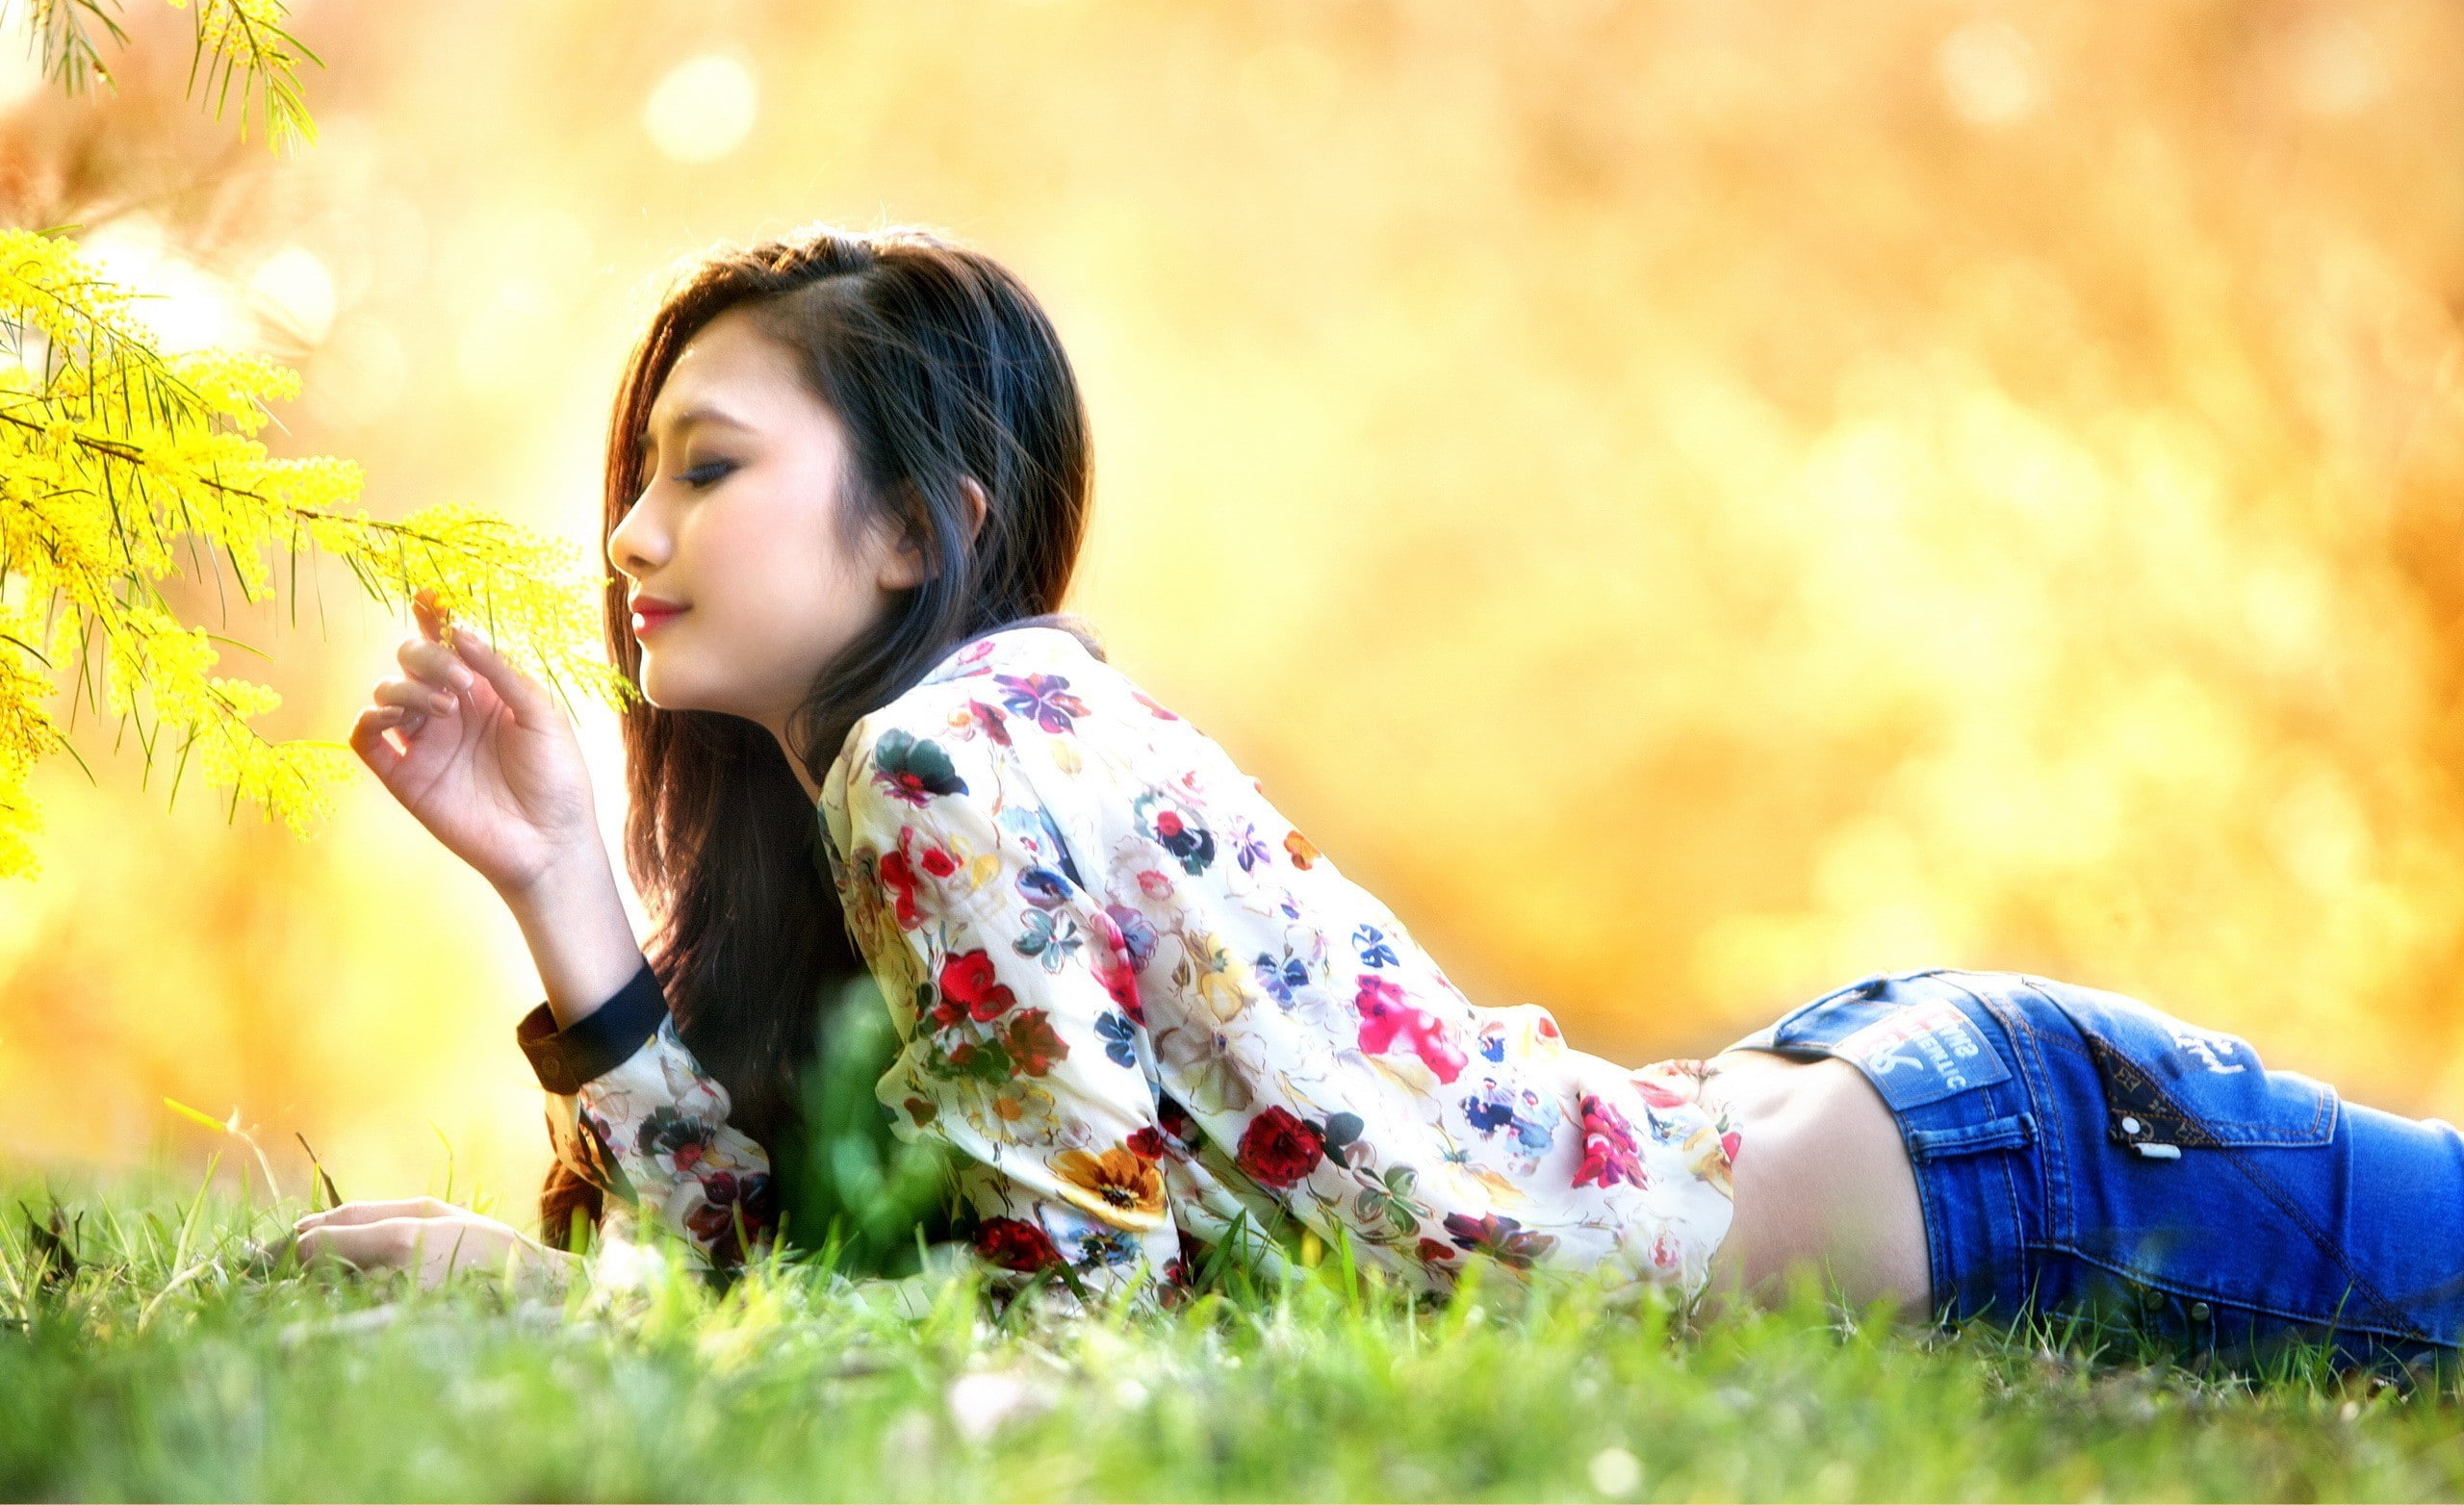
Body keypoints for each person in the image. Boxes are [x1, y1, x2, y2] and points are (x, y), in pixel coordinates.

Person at [297, 222, 2464, 1379]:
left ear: (913, 530)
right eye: (636, 472)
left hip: (2031, 1175)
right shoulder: (922, 775)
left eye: (707, 463)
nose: (627, 537)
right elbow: (841, 1280)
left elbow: (1060, 1341)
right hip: (1919, 1119)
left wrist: (527, 1279)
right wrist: (564, 886)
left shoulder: (940, 757)